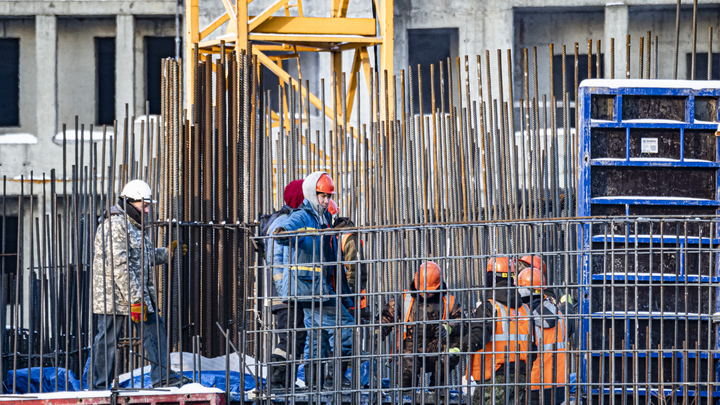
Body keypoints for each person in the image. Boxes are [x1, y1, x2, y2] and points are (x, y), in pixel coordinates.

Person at [91, 179, 186, 389]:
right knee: (107, 339)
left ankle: (162, 377)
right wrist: (136, 299)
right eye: (144, 205)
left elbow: (140, 258)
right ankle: (99, 386)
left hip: (136, 294)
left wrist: (165, 254)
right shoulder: (115, 226)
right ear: (129, 202)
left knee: (154, 329)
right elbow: (120, 267)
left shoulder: (134, 225)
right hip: (114, 297)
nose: (148, 210)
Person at [273, 171, 355, 391]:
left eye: (328, 196)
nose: (326, 200)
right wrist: (282, 233)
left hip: (316, 287)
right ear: (311, 193)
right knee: (345, 324)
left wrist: (333, 230)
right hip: (307, 287)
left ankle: (316, 382)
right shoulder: (302, 216)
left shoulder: (322, 218)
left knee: (316, 336)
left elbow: (327, 255)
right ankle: (336, 375)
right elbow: (288, 229)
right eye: (322, 196)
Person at [380, 261, 462, 391]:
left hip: (437, 348)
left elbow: (461, 320)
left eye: (429, 291)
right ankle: (407, 393)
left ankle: (437, 390)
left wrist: (448, 327)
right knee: (406, 375)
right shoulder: (404, 298)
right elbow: (386, 317)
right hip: (410, 349)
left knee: (452, 353)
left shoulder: (449, 301)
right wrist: (378, 332)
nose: (424, 293)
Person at [467, 256, 537, 405]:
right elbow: (534, 346)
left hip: (494, 373)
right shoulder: (525, 309)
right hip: (520, 375)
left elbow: (479, 335)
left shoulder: (490, 307)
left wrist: (460, 346)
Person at [264, 179, 308, 388]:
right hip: (285, 296)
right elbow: (276, 263)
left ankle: (286, 382)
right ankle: (277, 381)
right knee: (290, 338)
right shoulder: (281, 224)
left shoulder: (291, 220)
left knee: (296, 338)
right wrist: (286, 294)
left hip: (290, 293)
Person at [516, 268, 576, 405]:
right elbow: (570, 321)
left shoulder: (521, 318)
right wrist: (567, 303)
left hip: (531, 387)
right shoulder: (560, 317)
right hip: (557, 387)